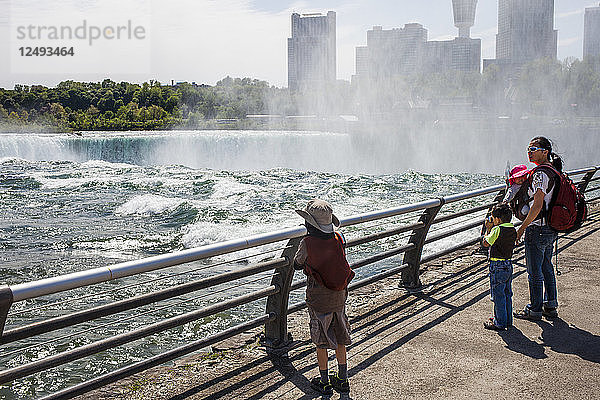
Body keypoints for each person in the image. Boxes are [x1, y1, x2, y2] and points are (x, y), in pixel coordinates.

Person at [293, 199, 354, 395]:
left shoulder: (307, 243)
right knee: (339, 337)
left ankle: (325, 381)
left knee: (322, 340)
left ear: (309, 224)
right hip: (339, 296)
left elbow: (297, 263)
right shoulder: (338, 238)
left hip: (318, 299)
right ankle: (343, 380)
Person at [514, 136, 563, 321]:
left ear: (545, 152)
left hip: (538, 229)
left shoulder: (541, 174)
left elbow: (537, 205)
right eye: (528, 148)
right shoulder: (553, 171)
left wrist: (522, 228)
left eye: (533, 148)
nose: (529, 151)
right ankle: (551, 305)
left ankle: (534, 309)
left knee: (534, 272)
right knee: (546, 267)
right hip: (550, 227)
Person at [482, 203, 517, 331]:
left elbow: (486, 243)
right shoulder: (512, 229)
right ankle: (507, 320)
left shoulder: (497, 230)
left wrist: (488, 229)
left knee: (498, 295)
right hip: (508, 264)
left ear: (497, 219)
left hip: (497, 266)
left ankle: (500, 322)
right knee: (507, 293)